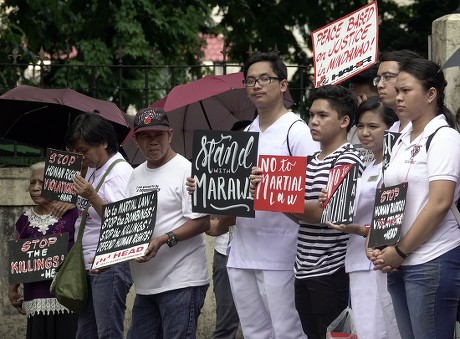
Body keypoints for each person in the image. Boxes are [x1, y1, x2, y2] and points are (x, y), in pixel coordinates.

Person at [188, 51, 319, 338]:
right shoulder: (244, 135)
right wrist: (209, 190)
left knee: (288, 331)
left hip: (283, 253)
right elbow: (231, 206)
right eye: (250, 81)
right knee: (254, 332)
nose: (257, 85)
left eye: (264, 79)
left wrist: (268, 187)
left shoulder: (297, 132)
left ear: (283, 85)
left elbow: (312, 198)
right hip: (242, 252)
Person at [371, 58, 460, 338]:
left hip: (431, 260)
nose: (398, 97)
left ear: (431, 94)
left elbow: (439, 203)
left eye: (406, 90)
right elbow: (387, 196)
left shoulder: (445, 138)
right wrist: (375, 243)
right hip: (398, 261)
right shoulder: (400, 138)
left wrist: (399, 252)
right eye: (397, 90)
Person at [125, 107, 210, 339]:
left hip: (181, 281)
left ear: (170, 135)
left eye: (158, 135)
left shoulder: (187, 170)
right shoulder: (135, 174)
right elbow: (128, 223)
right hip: (145, 285)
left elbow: (202, 222)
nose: (153, 142)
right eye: (146, 136)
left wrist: (163, 239)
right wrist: (109, 256)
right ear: (136, 139)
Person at [289, 84, 365, 339]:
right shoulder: (309, 161)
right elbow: (298, 213)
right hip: (303, 268)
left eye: (322, 115)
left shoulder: (348, 159)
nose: (313, 121)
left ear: (344, 121)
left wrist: (279, 198)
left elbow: (326, 214)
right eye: (311, 115)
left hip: (331, 271)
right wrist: (273, 195)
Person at [324, 96, 401, 338]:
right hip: (357, 260)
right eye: (361, 126)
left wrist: (358, 229)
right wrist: (331, 201)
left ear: (392, 129)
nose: (365, 132)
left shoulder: (393, 168)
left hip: (380, 261)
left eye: (373, 126)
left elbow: (393, 222)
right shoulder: (367, 168)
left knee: (383, 331)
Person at [64, 112, 133, 339]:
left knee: (108, 332)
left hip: (108, 265)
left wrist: (92, 195)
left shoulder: (120, 173)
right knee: (86, 332)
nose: (80, 155)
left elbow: (123, 222)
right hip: (89, 262)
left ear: (103, 142)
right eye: (77, 150)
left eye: (84, 150)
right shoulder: (94, 168)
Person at [8, 161, 79, 339]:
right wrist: (12, 289)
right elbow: (18, 258)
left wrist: (74, 201)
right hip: (36, 299)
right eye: (32, 183)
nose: (35, 188)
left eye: (42, 182)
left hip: (67, 296)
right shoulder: (24, 221)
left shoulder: (73, 214)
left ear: (56, 185)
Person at [210, 119, 251, 339]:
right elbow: (212, 225)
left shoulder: (264, 174)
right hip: (224, 254)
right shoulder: (219, 173)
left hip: (259, 253)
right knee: (226, 324)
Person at [374, 50, 422, 133]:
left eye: (387, 76)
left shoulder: (434, 133)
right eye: (378, 79)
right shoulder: (394, 129)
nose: (379, 85)